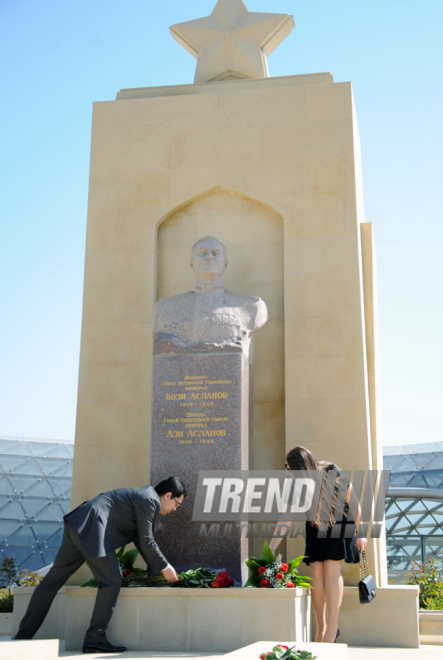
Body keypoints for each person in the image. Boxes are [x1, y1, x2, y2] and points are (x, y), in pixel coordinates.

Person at [15, 476, 187, 654]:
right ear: (167, 495)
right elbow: (146, 541)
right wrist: (166, 567)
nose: (175, 509)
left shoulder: (144, 497)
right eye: (177, 503)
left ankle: (21, 638)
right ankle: (94, 639)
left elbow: (139, 539)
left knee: (52, 582)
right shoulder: (149, 500)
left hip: (78, 524)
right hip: (93, 528)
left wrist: (154, 570)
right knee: (112, 580)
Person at [270, 446, 367, 644]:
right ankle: (321, 628)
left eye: (289, 467)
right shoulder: (294, 483)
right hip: (315, 527)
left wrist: (362, 533)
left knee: (331, 569)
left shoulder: (332, 470)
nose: (287, 471)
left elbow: (354, 502)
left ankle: (332, 628)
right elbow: (285, 517)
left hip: (339, 524)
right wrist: (271, 547)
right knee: (315, 572)